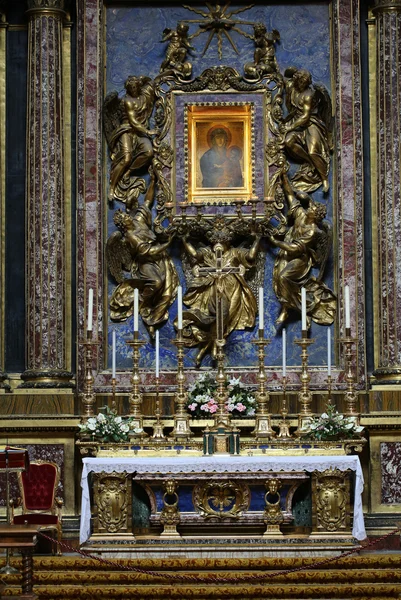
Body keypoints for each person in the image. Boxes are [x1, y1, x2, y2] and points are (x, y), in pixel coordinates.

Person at [106, 175, 178, 335]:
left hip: (160, 259)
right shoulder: (131, 237)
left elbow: (147, 201)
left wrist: (152, 181)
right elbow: (148, 251)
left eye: (126, 216)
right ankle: (144, 304)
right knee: (157, 282)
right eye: (124, 219)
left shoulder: (138, 221)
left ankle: (152, 318)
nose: (127, 217)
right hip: (146, 263)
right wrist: (167, 244)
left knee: (167, 293)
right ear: (123, 225)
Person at [179, 232, 261, 365]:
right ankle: (215, 346)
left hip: (233, 290)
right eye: (215, 242)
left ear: (228, 242)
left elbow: (251, 256)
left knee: (225, 318)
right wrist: (184, 241)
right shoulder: (208, 253)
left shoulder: (235, 252)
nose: (218, 245)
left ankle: (209, 347)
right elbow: (195, 255)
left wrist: (257, 239)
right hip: (214, 290)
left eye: (222, 242)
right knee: (219, 315)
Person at [269, 173, 336, 326]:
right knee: (281, 282)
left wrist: (275, 242)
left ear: (315, 216)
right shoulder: (300, 214)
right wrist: (283, 175)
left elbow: (294, 248)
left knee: (284, 278)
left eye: (312, 208)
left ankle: (291, 308)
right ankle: (292, 307)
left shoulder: (311, 231)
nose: (310, 207)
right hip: (287, 253)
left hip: (300, 259)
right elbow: (289, 194)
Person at [107, 76, 157, 203]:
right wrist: (147, 131)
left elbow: (151, 82)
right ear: (127, 89)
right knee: (126, 158)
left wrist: (141, 78)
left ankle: (128, 172)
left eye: (135, 86)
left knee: (149, 152)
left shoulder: (144, 96)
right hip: (127, 130)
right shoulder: (127, 101)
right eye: (131, 87)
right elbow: (133, 122)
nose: (134, 89)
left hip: (139, 132)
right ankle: (112, 187)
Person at [283, 67, 332, 193]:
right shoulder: (291, 88)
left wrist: (290, 127)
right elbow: (282, 77)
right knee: (288, 142)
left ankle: (324, 178)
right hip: (297, 125)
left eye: (304, 83)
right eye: (300, 82)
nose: (302, 85)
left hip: (311, 124)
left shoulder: (309, 95)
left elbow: (305, 116)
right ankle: (310, 163)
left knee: (313, 151)